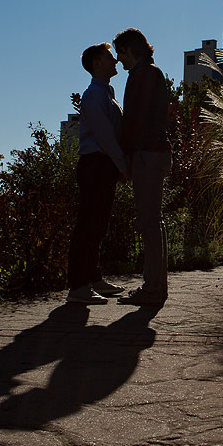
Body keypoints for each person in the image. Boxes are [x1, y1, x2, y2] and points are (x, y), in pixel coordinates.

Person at [66, 43, 130, 304]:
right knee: (88, 224)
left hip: (103, 165)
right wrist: (123, 166)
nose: (115, 59)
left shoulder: (107, 93)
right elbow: (105, 136)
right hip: (94, 164)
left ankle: (93, 278)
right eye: (108, 56)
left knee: (99, 224)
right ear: (95, 63)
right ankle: (78, 286)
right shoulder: (93, 95)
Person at [113, 27, 172, 306]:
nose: (118, 60)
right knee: (153, 221)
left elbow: (136, 119)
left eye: (120, 53)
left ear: (129, 49)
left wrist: (124, 155)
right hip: (153, 152)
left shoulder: (145, 74)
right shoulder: (149, 73)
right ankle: (155, 285)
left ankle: (153, 288)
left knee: (149, 222)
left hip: (147, 153)